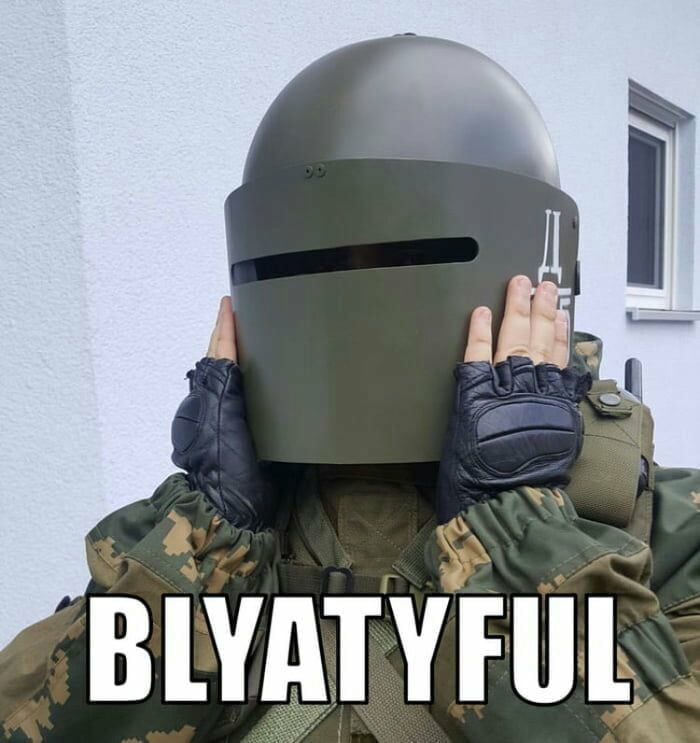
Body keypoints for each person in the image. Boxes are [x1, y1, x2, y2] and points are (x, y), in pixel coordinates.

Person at [2, 34, 699, 743]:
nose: (353, 301)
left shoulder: (654, 530)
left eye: (407, 255)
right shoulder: (223, 531)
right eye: (308, 263)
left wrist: (517, 541)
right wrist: (202, 545)